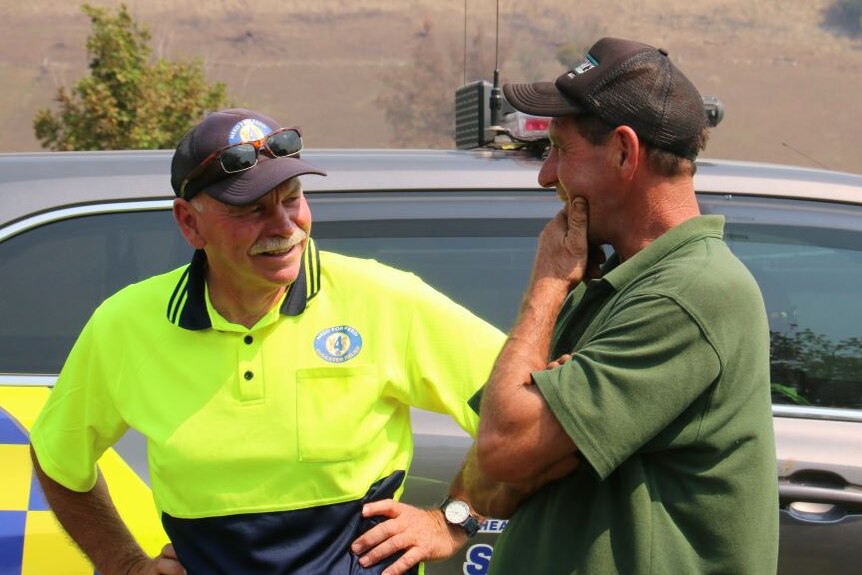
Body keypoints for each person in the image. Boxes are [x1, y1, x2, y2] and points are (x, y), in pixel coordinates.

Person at [28, 108, 505, 575]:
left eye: (291, 197)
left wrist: (452, 521)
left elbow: (525, 409)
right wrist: (123, 563)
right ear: (189, 224)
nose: (283, 226)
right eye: (251, 209)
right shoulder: (125, 324)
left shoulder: (386, 299)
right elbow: (56, 458)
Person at [453, 37, 780, 574]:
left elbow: (504, 447)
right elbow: (495, 481)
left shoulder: (689, 293)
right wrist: (463, 510)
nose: (545, 175)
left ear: (625, 152)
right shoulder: (615, 282)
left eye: (560, 150)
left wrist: (545, 289)